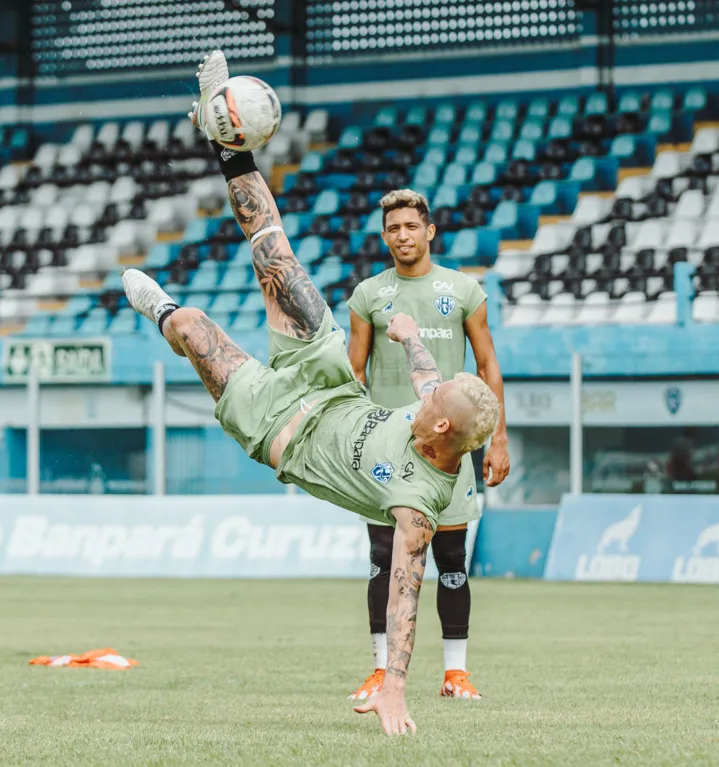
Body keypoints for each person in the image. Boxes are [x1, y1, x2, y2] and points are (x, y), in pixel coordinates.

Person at [120, 50, 500, 737]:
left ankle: (161, 309)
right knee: (276, 253)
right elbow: (423, 373)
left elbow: (405, 595)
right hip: (328, 378)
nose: (427, 397)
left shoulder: (419, 501)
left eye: (433, 405)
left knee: (194, 327)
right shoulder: (439, 402)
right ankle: (224, 138)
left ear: (440, 432)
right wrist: (412, 335)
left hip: (279, 427)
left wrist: (392, 686)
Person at [347, 190, 510, 701]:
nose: (402, 236)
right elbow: (354, 373)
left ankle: (455, 674)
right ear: (384, 235)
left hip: (451, 451)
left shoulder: (463, 289)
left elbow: (487, 367)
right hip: (387, 451)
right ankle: (380, 670)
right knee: (381, 559)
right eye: (393, 228)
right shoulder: (368, 295)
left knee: (452, 561)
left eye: (411, 227)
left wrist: (498, 437)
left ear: (429, 231)